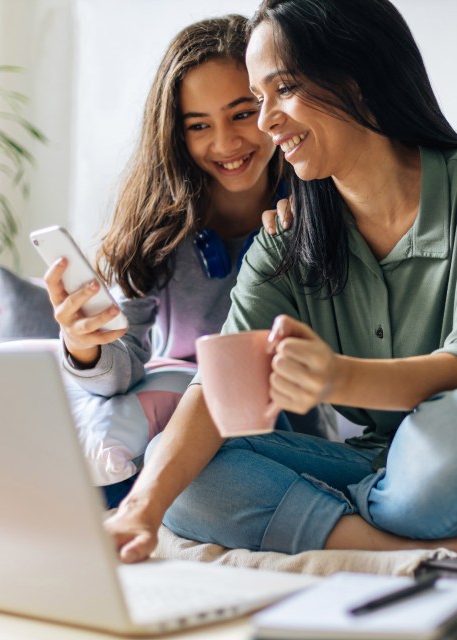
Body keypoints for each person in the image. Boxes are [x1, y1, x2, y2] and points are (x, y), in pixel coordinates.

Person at [106, 0, 457, 562]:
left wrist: (335, 378)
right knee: (180, 468)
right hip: (377, 465)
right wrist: (142, 506)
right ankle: (394, 542)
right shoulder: (287, 236)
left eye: (282, 89)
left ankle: (338, 514)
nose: (265, 123)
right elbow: (216, 390)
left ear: (356, 76)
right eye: (258, 101)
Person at [42, 15, 328, 507]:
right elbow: (120, 373)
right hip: (167, 418)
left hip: (273, 426)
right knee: (117, 451)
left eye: (241, 114)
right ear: (176, 135)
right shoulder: (159, 228)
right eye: (199, 125)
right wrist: (83, 346)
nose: (225, 143)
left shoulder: (320, 210)